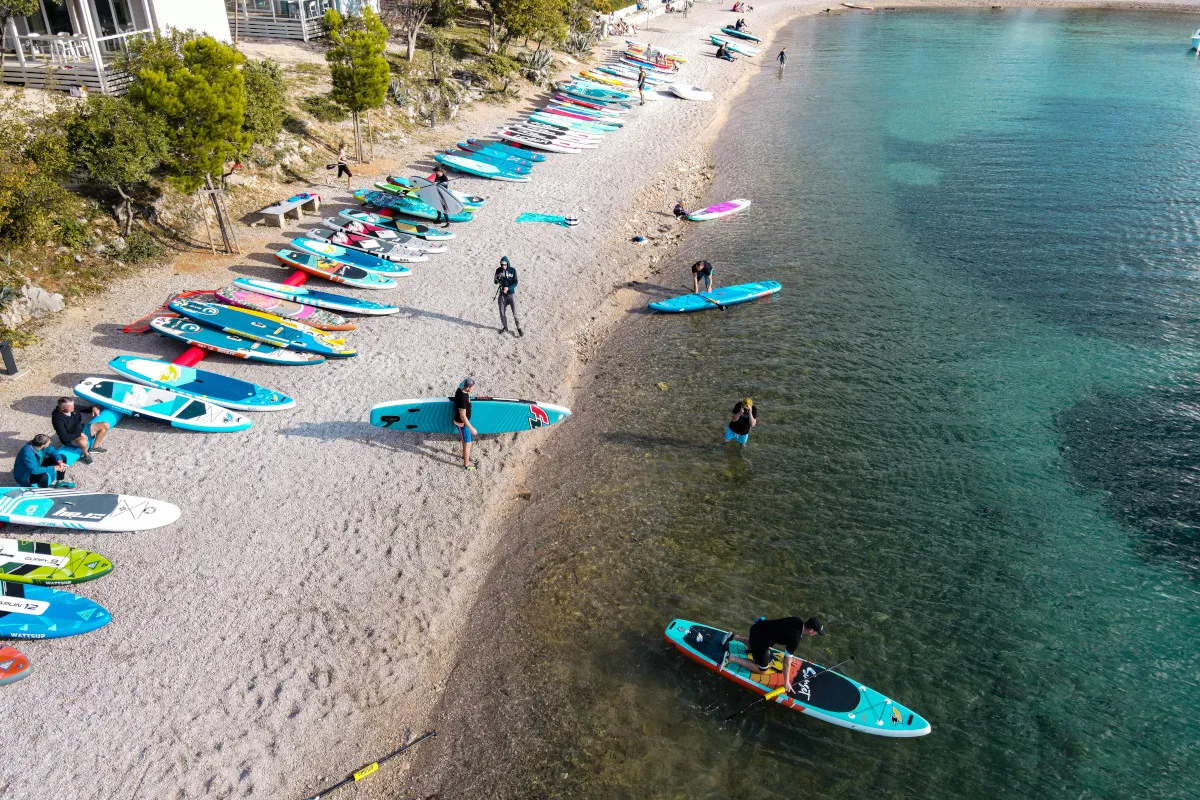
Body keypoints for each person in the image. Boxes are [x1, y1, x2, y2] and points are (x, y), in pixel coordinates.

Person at [722, 616, 825, 694]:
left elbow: (783, 630)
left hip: (757, 627)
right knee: (762, 669)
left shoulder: (796, 620)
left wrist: (790, 657)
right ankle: (731, 657)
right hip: (760, 639)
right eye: (817, 632)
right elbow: (786, 663)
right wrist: (786, 682)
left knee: (755, 644)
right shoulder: (795, 639)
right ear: (811, 631)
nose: (816, 634)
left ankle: (733, 637)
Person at [51, 396, 108, 465]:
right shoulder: (57, 419)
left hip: (81, 428)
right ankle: (86, 455)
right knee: (83, 442)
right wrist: (79, 434)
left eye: (73, 404)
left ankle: (94, 448)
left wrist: (94, 408)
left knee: (105, 425)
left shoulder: (73, 408)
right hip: (71, 436)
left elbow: (87, 409)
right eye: (70, 406)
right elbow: (64, 436)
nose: (73, 407)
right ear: (62, 408)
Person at [454, 378, 478, 471]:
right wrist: (471, 428)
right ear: (468, 387)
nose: (473, 388)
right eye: (472, 387)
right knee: (467, 443)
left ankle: (465, 457)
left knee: (466, 441)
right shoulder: (463, 399)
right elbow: (463, 416)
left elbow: (461, 383)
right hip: (462, 424)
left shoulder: (460, 389)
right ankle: (466, 465)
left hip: (465, 423)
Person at [494, 256, 522, 336]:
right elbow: (495, 282)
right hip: (502, 295)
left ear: (508, 263)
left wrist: (508, 288)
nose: (503, 266)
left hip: (511, 294)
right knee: (502, 312)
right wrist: (496, 279)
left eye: (505, 264)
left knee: (515, 312)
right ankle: (505, 327)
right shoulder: (498, 270)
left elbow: (516, 282)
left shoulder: (513, 270)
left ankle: (519, 328)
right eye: (502, 264)